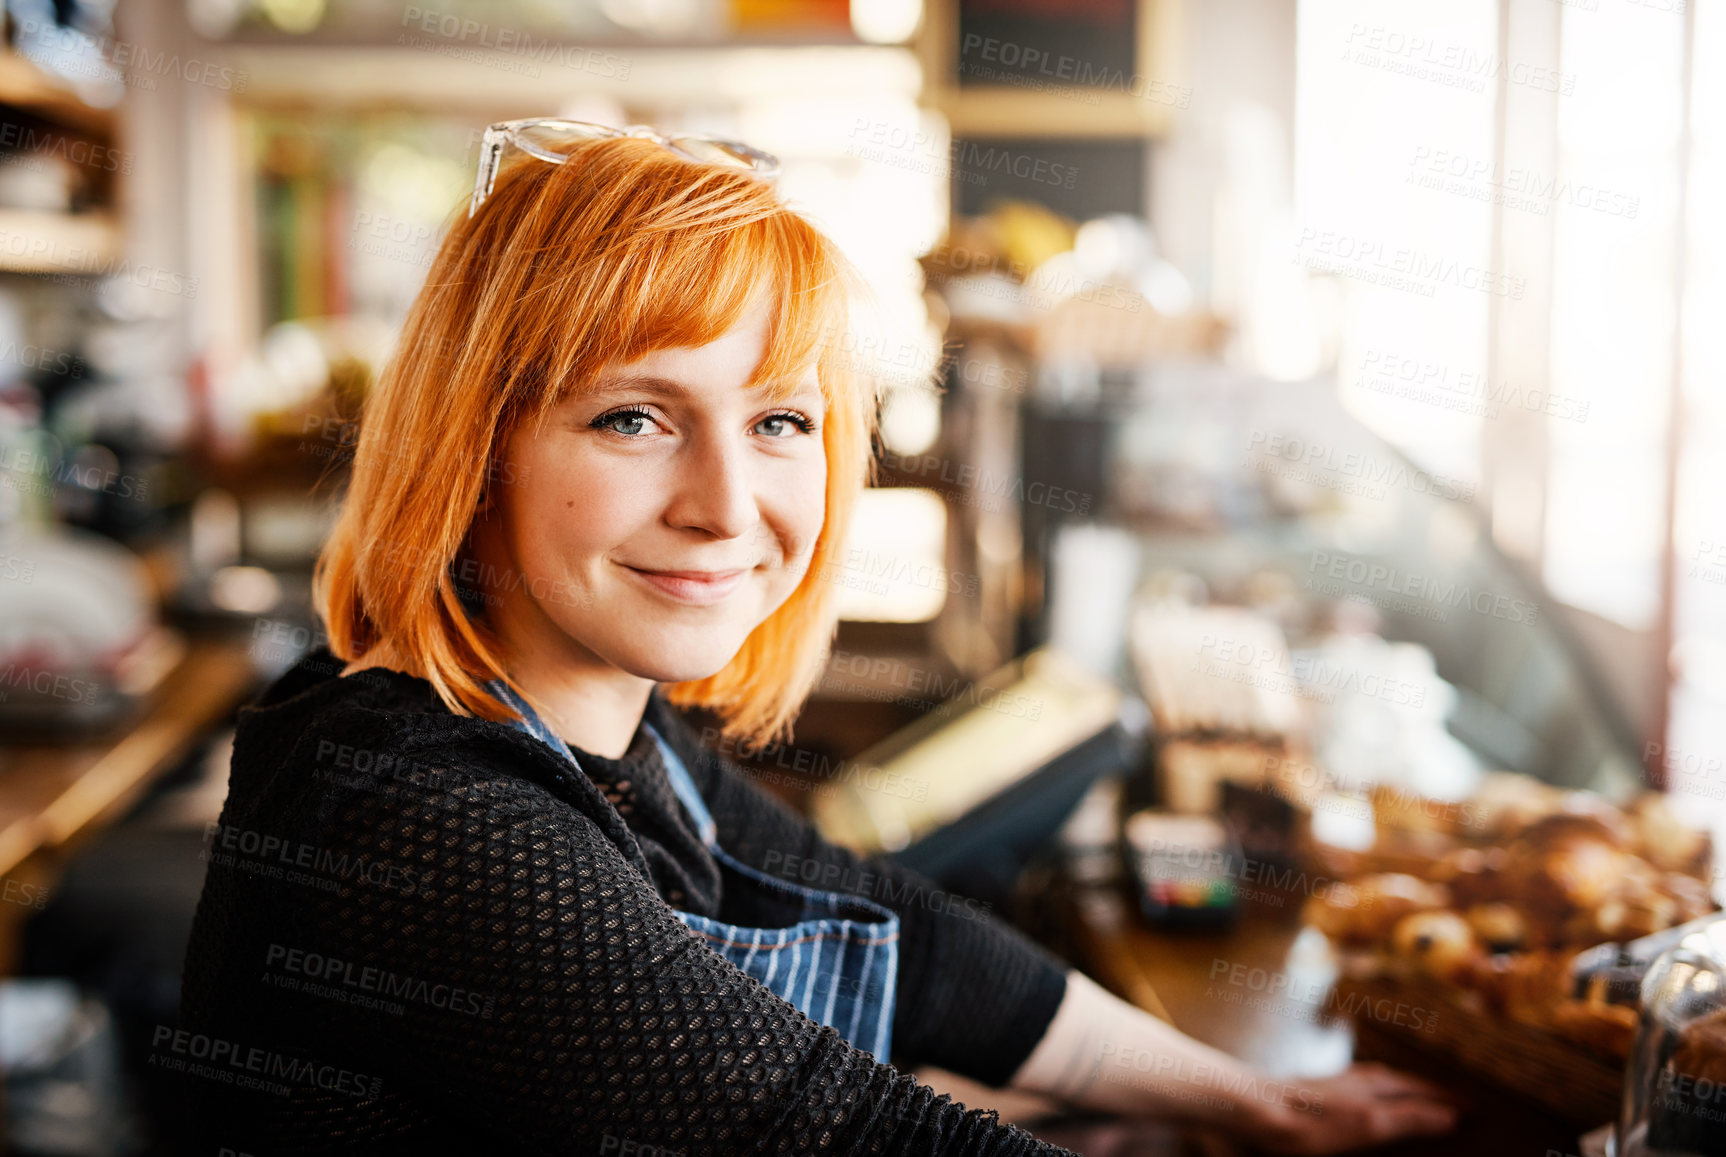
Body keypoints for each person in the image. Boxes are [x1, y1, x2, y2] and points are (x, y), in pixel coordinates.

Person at [176, 121, 1458, 1155]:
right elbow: (828, 1124)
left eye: (781, 420)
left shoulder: (608, 728)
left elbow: (903, 930)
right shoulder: (419, 812)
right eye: (634, 417)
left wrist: (1257, 1104)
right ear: (478, 445)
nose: (727, 507)